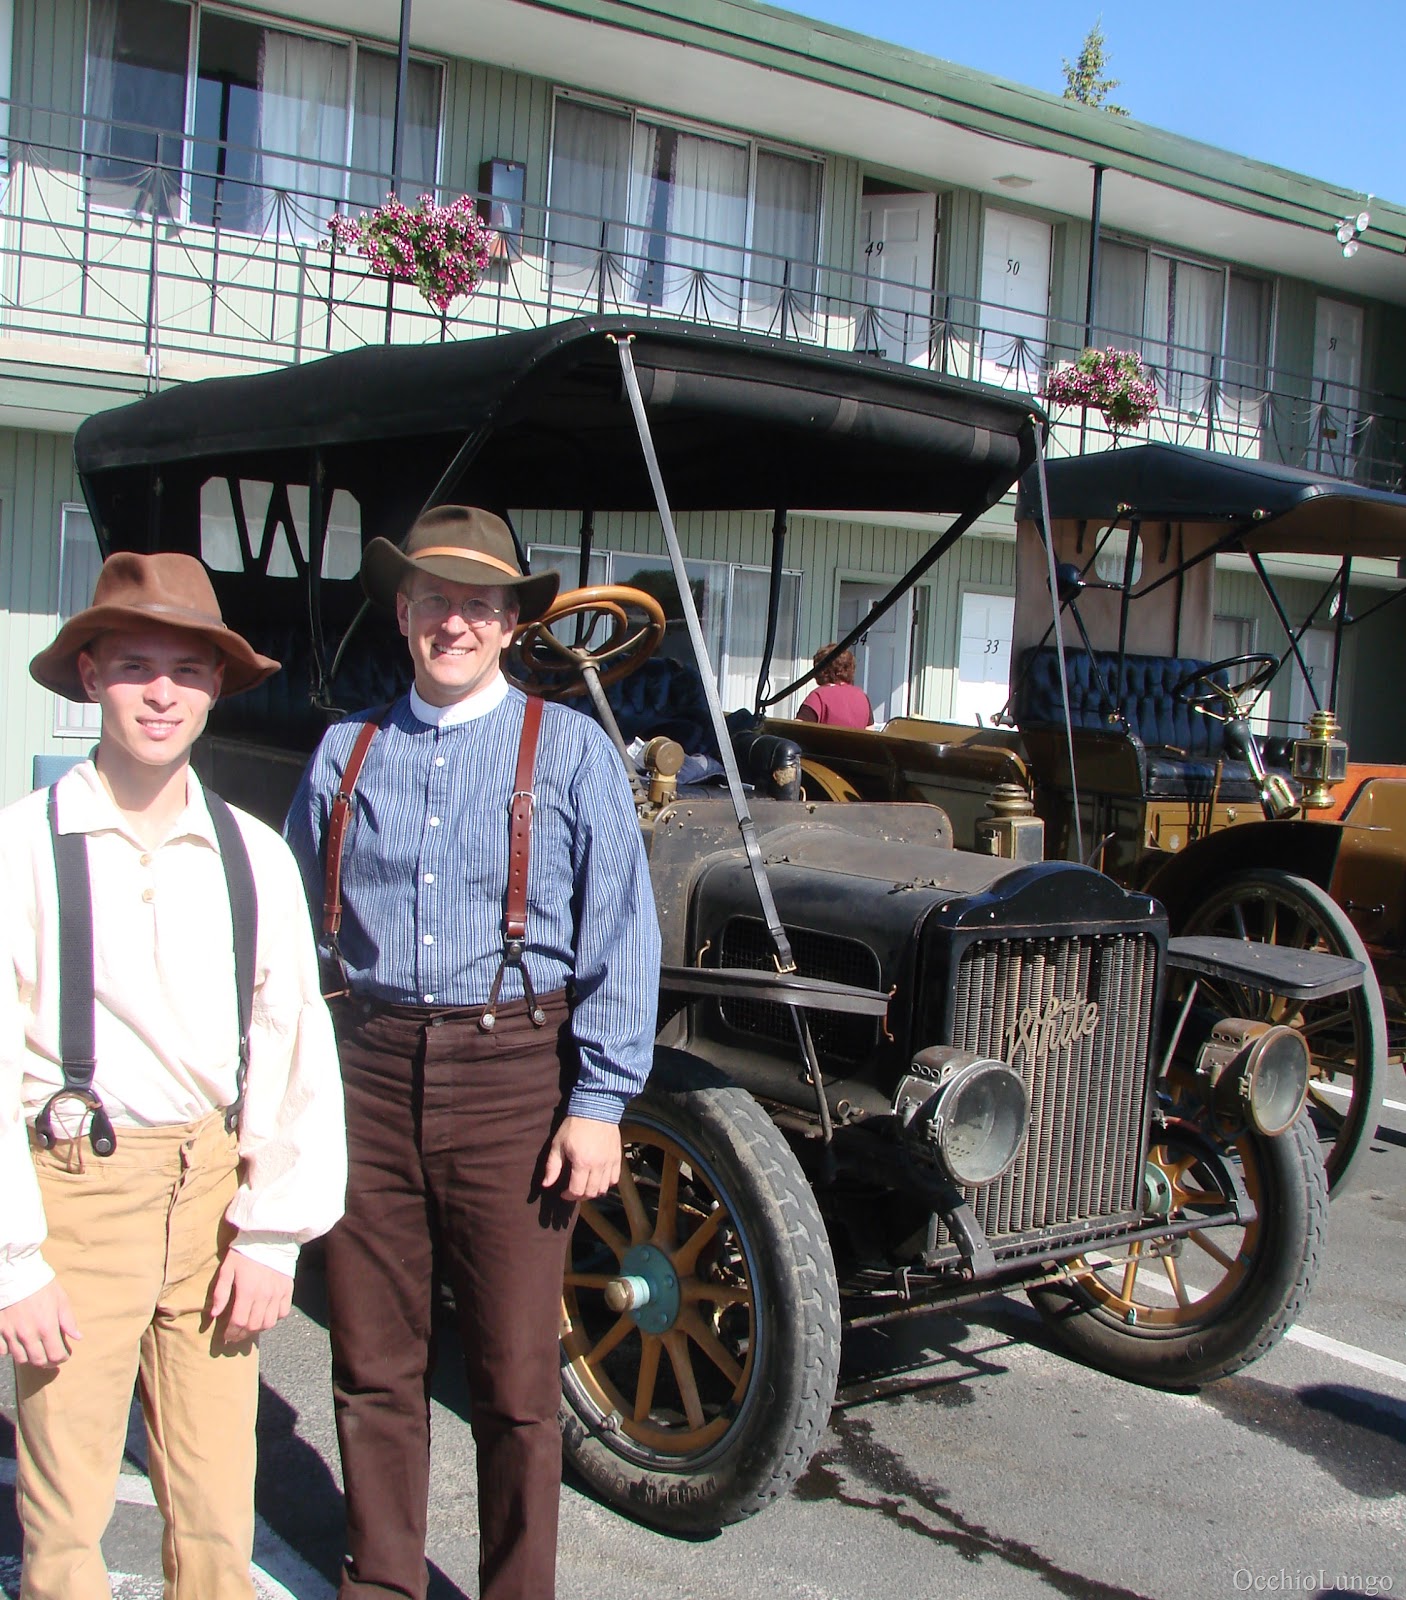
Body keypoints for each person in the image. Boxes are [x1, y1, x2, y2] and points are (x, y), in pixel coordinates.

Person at [284, 505, 661, 1600]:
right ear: (403, 613)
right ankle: (383, 1583)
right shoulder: (344, 752)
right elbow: (299, 935)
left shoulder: (572, 750)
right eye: (436, 598)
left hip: (512, 1082)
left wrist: (597, 1099)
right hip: (367, 1067)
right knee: (374, 1367)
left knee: (512, 1379)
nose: (457, 620)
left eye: (480, 601)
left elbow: (619, 933)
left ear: (509, 623)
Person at [0, 551, 347, 1600]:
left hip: (209, 1197)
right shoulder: (24, 849)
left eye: (187, 670)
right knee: (64, 1512)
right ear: (91, 675)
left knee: (213, 1502)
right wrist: (16, 1262)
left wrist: (273, 1233)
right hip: (74, 1191)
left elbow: (293, 1049)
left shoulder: (250, 854)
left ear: (214, 688)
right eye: (136, 665)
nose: (161, 692)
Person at [796, 643, 873, 727]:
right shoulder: (862, 697)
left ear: (820, 669)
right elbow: (870, 732)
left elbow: (796, 730)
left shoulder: (818, 696)